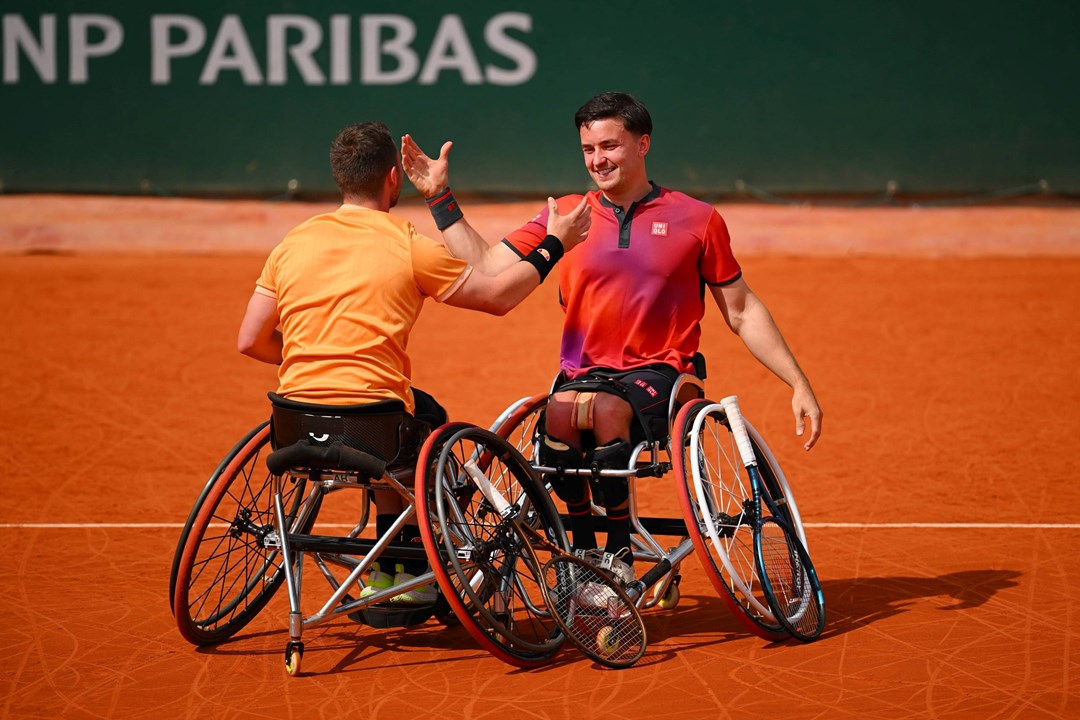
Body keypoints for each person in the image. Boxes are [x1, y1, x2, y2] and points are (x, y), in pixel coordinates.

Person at [401, 92, 822, 580]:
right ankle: (582, 558)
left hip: (661, 374)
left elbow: (743, 310)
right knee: (559, 413)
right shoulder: (567, 217)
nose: (597, 160)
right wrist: (438, 196)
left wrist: (797, 383)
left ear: (642, 144)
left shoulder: (697, 219)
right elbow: (488, 264)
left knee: (601, 411)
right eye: (587, 149)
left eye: (609, 146)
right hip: (581, 374)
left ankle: (617, 557)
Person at [237, 120, 591, 604]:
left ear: (341, 178)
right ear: (391, 178)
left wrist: (313, 350)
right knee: (426, 424)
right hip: (375, 425)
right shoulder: (406, 244)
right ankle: (402, 568)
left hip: (293, 423)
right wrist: (556, 245)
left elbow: (250, 340)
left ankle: (387, 570)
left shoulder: (291, 243)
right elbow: (497, 296)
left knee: (404, 419)